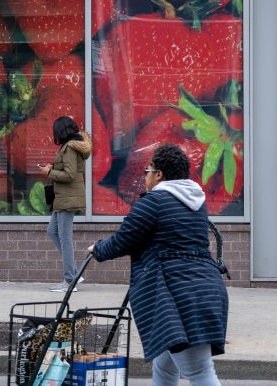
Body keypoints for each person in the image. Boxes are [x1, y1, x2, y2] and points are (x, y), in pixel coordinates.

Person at [88, 143, 228, 386]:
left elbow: (123, 240)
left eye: (147, 171)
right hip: (204, 289)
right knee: (164, 367)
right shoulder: (196, 203)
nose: (145, 176)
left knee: (200, 371)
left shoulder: (154, 202)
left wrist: (97, 248)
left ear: (159, 174)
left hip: (176, 296)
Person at [41, 116, 91, 293]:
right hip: (62, 198)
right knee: (52, 231)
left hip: (67, 198)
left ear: (61, 131)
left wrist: (50, 172)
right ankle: (74, 273)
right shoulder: (69, 146)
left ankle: (70, 280)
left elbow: (70, 175)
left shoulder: (70, 148)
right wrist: (53, 168)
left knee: (65, 238)